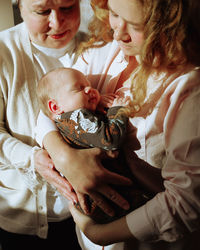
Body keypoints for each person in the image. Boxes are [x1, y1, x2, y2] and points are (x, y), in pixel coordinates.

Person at [37, 0, 200, 249]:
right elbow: (53, 102)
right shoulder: (103, 47)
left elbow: (186, 202)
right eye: (114, 13)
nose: (117, 33)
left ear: (170, 26)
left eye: (136, 24)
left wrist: (99, 234)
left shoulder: (188, 86)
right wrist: (63, 156)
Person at [0, 0, 134, 249]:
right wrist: (38, 158)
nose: (57, 22)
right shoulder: (3, 52)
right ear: (18, 6)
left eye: (68, 7)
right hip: (22, 215)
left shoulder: (94, 48)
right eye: (42, 11)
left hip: (81, 220)